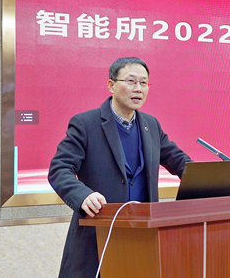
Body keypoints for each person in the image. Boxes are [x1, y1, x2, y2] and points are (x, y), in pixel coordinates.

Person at [48, 57, 192, 278]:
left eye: (144, 83)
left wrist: (211, 179)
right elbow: (60, 169)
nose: (138, 89)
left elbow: (179, 161)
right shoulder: (86, 124)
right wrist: (83, 195)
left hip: (142, 236)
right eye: (131, 81)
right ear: (111, 85)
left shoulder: (151, 125)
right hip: (98, 234)